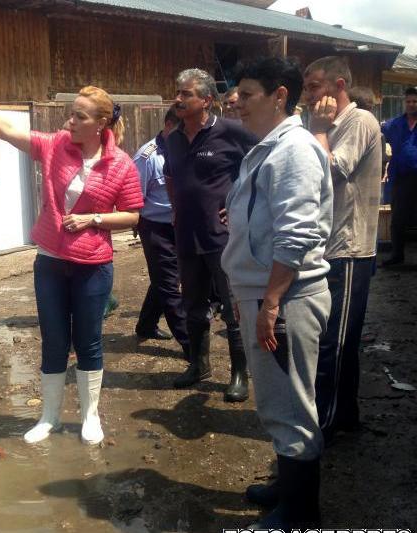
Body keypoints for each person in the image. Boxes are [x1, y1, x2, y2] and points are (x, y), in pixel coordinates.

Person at [0, 86, 143, 446]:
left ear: (101, 123)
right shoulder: (56, 144)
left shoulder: (121, 164)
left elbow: (133, 214)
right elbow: (6, 131)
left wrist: (93, 219)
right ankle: (49, 417)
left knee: (88, 341)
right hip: (51, 262)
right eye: (71, 113)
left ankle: (90, 416)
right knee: (54, 340)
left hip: (93, 265)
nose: (70, 121)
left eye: (80, 117)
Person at [223, 56, 332, 530]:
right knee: (275, 399)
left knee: (290, 403)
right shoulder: (267, 148)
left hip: (286, 297)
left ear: (279, 96)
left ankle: (300, 512)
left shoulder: (293, 150)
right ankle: (288, 487)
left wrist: (270, 304)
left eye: (247, 94)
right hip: (264, 292)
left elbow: (297, 234)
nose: (237, 102)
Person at [164, 68, 257, 402]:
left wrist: (241, 205)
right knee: (193, 304)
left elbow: (262, 164)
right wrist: (176, 210)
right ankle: (198, 365)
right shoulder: (172, 138)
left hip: (222, 237)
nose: (178, 99)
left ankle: (238, 374)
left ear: (206, 100)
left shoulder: (231, 131)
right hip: (187, 236)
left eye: (186, 94)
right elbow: (171, 177)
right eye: (177, 92)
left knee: (232, 308)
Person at [303, 56, 383, 441]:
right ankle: (345, 414)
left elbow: (333, 168)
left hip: (349, 248)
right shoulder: (323, 124)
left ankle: (327, 421)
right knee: (339, 340)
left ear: (338, 85)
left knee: (334, 342)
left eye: (314, 87)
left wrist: (318, 131)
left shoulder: (359, 121)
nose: (308, 96)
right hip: (327, 244)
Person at [132, 107, 186, 348]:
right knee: (169, 285)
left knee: (162, 278)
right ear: (167, 125)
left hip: (180, 224)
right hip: (155, 227)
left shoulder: (185, 148)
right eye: (179, 128)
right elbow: (134, 198)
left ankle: (146, 324)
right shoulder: (147, 157)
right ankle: (191, 346)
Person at [381, 86, 417, 266]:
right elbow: (377, 134)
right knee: (398, 218)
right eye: (408, 101)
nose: (411, 104)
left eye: (415, 101)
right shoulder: (394, 124)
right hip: (401, 178)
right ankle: (397, 255)